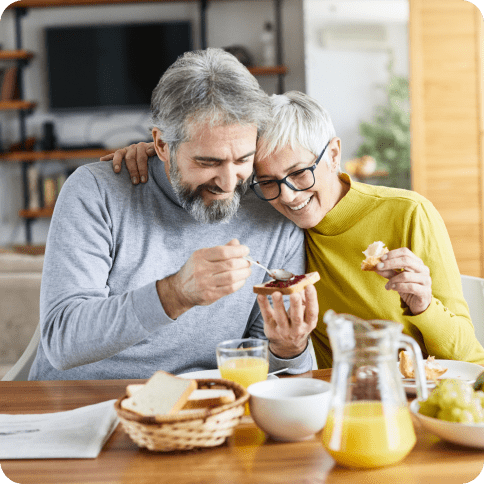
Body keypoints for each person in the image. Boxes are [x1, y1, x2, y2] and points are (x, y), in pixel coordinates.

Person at [107, 90, 484, 368]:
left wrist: (423, 306)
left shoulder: (409, 214)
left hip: (407, 394)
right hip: (322, 398)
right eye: (267, 181)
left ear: (334, 154)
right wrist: (156, 155)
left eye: (300, 173)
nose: (287, 197)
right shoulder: (269, 218)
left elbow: (469, 356)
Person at [29, 49, 318, 381]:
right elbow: (62, 341)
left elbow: (262, 367)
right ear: (162, 145)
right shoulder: (95, 192)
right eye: (207, 162)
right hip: (80, 404)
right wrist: (175, 293)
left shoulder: (273, 210)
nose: (227, 184)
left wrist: (289, 350)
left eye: (242, 160)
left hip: (205, 410)